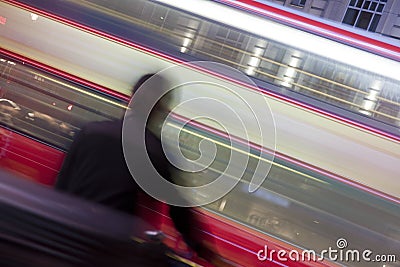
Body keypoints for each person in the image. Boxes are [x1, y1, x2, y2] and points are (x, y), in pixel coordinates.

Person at [55, 74, 231, 266]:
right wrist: (210, 255)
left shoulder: (90, 131)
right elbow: (181, 214)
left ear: (131, 98)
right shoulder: (155, 152)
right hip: (109, 251)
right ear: (160, 109)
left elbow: (60, 187)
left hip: (66, 239)